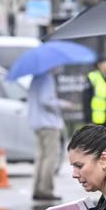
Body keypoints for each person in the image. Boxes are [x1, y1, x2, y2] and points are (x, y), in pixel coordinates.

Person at [27, 71, 68, 202]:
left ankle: (37, 189)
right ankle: (46, 189)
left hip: (37, 123)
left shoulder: (36, 78)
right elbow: (46, 100)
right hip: (49, 123)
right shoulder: (47, 78)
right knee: (51, 157)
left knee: (40, 157)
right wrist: (62, 104)